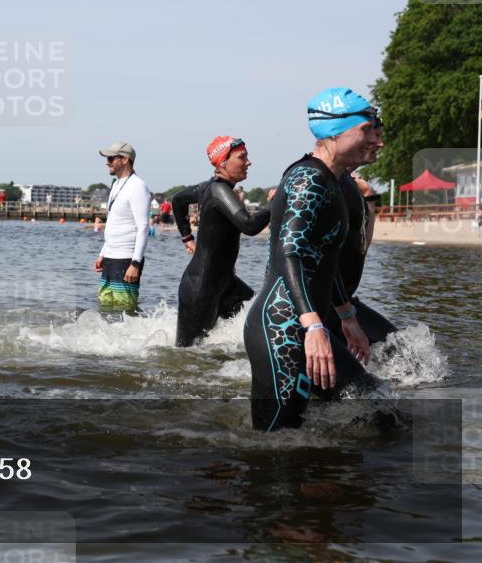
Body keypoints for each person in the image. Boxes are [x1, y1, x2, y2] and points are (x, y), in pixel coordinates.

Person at [244, 87, 381, 431]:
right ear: (334, 132)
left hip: (304, 326)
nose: (376, 140)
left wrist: (347, 316)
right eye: (366, 130)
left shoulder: (333, 181)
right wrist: (315, 325)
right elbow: (290, 253)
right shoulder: (309, 179)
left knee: (379, 411)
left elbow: (322, 258)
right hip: (283, 331)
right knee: (275, 445)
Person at [171, 136, 272, 347]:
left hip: (228, 286)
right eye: (242, 157)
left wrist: (186, 236)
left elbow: (178, 200)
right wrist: (280, 198)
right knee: (187, 359)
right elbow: (250, 225)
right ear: (223, 162)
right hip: (200, 292)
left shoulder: (206, 188)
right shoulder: (218, 191)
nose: (249, 162)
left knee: (266, 320)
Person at [326, 121, 397, 345]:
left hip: (339, 301)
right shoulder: (330, 182)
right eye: (372, 134)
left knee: (400, 353)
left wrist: (370, 200)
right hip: (324, 306)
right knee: (402, 351)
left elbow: (361, 248)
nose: (381, 143)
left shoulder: (348, 183)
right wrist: (346, 314)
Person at [93, 142, 150, 313]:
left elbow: (143, 228)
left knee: (124, 311)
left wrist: (135, 263)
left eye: (111, 158)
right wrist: (103, 252)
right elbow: (114, 222)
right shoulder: (116, 184)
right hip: (110, 256)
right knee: (105, 308)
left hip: (126, 259)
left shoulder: (138, 187)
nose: (107, 162)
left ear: (125, 159)